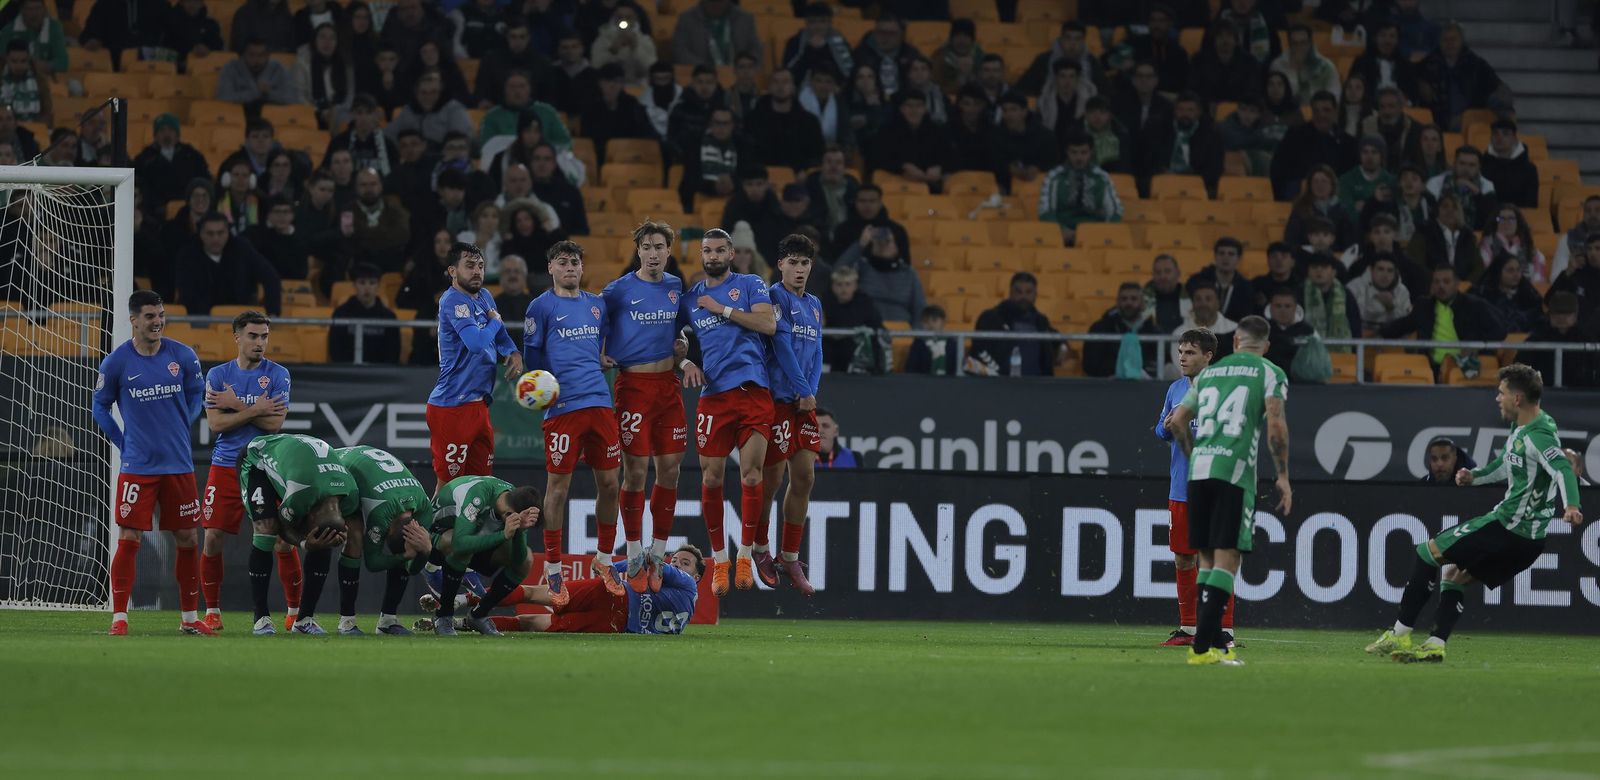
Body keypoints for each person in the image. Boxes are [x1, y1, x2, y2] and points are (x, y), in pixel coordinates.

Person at [1366, 364, 1582, 663]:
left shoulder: (1539, 435)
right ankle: (1434, 644)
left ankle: (1399, 634)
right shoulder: (1526, 427)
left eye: (1502, 392)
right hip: (1530, 542)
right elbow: (1505, 466)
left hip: (1507, 527)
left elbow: (1562, 470)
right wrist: (1474, 477)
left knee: (1428, 553)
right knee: (1454, 576)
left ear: (1517, 398)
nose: (1497, 398)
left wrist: (1571, 505)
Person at [1165, 315, 1293, 666]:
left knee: (1206, 559)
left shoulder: (1210, 374)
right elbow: (1276, 426)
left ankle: (1211, 645)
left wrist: (1194, 456)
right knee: (1227, 559)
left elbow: (1177, 421)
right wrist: (1282, 475)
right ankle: (1205, 647)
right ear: (1266, 346)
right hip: (1233, 473)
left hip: (1198, 473)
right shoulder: (1270, 372)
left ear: (1235, 342)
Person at [92, 291, 209, 636]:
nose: (157, 322)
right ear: (133, 320)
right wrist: (122, 442)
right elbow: (99, 407)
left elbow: (196, 395)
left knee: (187, 536)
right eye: (149, 316)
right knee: (129, 536)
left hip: (178, 465)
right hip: (138, 468)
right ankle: (119, 618)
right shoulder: (116, 362)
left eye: (160, 315)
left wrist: (183, 422)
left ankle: (189, 619)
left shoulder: (182, 355)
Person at [602, 221, 705, 592]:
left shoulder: (675, 287)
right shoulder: (617, 290)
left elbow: (677, 336)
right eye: (646, 247)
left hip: (668, 388)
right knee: (634, 473)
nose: (653, 253)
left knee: (670, 471)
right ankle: (633, 550)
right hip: (633, 388)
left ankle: (658, 554)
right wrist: (599, 353)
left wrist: (684, 357)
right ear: (638, 250)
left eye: (659, 246)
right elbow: (595, 324)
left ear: (668, 250)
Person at [522, 240, 624, 605]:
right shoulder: (541, 307)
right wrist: (542, 390)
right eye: (563, 262)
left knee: (610, 485)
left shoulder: (597, 305)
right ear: (551, 268)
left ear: (582, 267)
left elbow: (602, 343)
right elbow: (533, 360)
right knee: (558, 490)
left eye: (575, 262)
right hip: (563, 410)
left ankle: (604, 559)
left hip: (600, 403)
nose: (570, 267)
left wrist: (601, 357)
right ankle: (553, 569)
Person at [676, 228, 777, 595]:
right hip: (714, 396)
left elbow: (768, 324)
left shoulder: (750, 284)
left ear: (731, 254)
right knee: (711, 479)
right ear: (701, 255)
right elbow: (668, 339)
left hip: (753, 392)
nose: (713, 256)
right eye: (707, 251)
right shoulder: (690, 299)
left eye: (720, 250)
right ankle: (720, 560)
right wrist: (685, 361)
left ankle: (745, 556)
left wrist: (724, 310)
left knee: (751, 476)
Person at [197, 311, 293, 632]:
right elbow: (216, 424)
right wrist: (256, 409)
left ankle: (294, 613)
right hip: (226, 464)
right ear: (237, 337)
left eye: (264, 336)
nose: (260, 342)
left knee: (282, 541)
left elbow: (274, 424)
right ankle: (213, 611)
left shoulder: (278, 374)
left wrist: (236, 405)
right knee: (212, 537)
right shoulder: (218, 375)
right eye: (253, 336)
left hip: (266, 466)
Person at [1154, 327, 1237, 647]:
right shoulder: (1175, 389)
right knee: (1183, 558)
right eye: (1180, 352)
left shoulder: (1224, 389)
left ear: (1208, 356)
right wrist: (1166, 426)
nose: (1182, 358)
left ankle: (1224, 629)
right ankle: (1189, 627)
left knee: (1217, 558)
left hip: (1215, 484)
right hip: (1181, 486)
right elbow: (1161, 431)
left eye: (1189, 352)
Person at [752, 234, 825, 594]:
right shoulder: (774, 297)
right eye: (793, 262)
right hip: (779, 400)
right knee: (771, 481)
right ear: (780, 264)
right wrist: (801, 388)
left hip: (803, 402)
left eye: (805, 263)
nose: (799, 269)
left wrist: (811, 391)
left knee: (806, 477)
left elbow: (819, 349)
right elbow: (781, 345)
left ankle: (790, 556)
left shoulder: (814, 304)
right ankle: (760, 547)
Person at [422, 546, 701, 636]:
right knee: (532, 608)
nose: (676, 563)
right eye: (675, 559)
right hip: (616, 619)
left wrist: (610, 568)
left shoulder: (685, 583)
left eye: (685, 563)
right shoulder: (684, 617)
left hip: (614, 600)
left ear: (697, 577)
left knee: (531, 612)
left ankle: (458, 614)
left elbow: (648, 558)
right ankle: (460, 605)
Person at [235, 433, 357, 635]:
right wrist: (304, 543)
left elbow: (342, 526)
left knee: (324, 538)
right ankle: (261, 618)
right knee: (266, 529)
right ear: (311, 514)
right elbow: (282, 526)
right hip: (258, 459)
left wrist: (334, 538)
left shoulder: (351, 494)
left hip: (300, 463)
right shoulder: (301, 493)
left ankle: (304, 620)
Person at [426, 242, 524, 488]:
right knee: (448, 486)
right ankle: (433, 517)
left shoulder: (485, 296)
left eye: (480, 266)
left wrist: (512, 351)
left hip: (479, 405)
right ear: (452, 271)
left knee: (481, 483)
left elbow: (499, 335)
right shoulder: (452, 301)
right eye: (469, 266)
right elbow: (476, 343)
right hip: (452, 405)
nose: (477, 271)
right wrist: (495, 320)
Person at [424, 474, 543, 636]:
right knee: (456, 545)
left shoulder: (517, 502)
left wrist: (520, 531)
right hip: (435, 539)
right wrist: (503, 535)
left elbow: (518, 560)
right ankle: (443, 614)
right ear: (510, 513)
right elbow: (460, 544)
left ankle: (479, 615)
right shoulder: (478, 496)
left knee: (527, 560)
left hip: (476, 537)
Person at [1380, 264, 1506, 372]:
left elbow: (1499, 331)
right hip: (1431, 368)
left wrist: (1476, 346)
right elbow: (1401, 326)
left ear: (1457, 284)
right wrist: (1379, 332)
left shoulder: (1474, 305)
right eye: (1436, 282)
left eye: (1446, 282)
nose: (1441, 286)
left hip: (1462, 368)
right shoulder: (1423, 306)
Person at [176, 212, 283, 315]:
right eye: (210, 233)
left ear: (228, 232)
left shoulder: (242, 249)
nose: (216, 238)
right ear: (200, 233)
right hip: (201, 319)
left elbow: (271, 277)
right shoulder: (188, 254)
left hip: (241, 317)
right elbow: (187, 293)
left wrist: (272, 312)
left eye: (220, 233)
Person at [1416, 21, 1507, 132]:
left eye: (1453, 39)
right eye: (1445, 40)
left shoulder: (1476, 64)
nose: (1449, 43)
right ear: (1439, 43)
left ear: (1462, 41)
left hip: (1471, 119)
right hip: (1439, 121)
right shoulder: (1427, 65)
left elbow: (1495, 85)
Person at [1271, 91, 1357, 202]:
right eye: (1316, 111)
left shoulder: (1348, 143)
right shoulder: (1295, 137)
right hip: (1300, 198)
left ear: (1335, 112)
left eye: (1326, 110)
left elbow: (1351, 177)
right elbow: (1279, 170)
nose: (1321, 115)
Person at [1039, 134, 1122, 246]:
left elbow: (1115, 211)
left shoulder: (1101, 177)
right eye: (1074, 152)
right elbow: (1045, 211)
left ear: (1091, 152)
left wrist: (1103, 232)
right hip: (1061, 237)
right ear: (1067, 152)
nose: (1079, 158)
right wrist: (1061, 230)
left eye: (1084, 152)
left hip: (1095, 237)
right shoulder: (1054, 177)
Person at [835, 222, 925, 324]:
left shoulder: (909, 274)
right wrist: (860, 244)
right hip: (867, 327)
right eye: (878, 241)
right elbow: (837, 272)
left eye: (888, 241)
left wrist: (917, 333)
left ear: (897, 246)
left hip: (900, 328)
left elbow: (919, 309)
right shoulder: (862, 267)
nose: (882, 245)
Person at [1139, 91, 1224, 197]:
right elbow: (1147, 160)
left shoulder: (1211, 135)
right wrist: (1162, 173)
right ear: (1174, 111)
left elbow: (1214, 169)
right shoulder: (1157, 129)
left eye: (1190, 110)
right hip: (1162, 180)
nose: (1185, 114)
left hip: (1196, 184)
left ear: (1199, 112)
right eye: (1181, 109)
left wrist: (1189, 178)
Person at [1521, 293, 1600, 389]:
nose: (1561, 318)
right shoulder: (1536, 339)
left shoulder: (1586, 340)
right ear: (1550, 315)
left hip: (1580, 394)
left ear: (1575, 315)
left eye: (1567, 314)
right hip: (1543, 393)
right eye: (1557, 313)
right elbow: (1521, 370)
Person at [329, 262, 401, 363]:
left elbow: (393, 353)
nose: (367, 288)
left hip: (380, 371)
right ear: (354, 285)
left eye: (372, 283)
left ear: (378, 286)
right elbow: (336, 350)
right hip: (348, 370)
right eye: (362, 283)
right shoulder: (341, 313)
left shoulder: (389, 317)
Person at [1085, 282, 1160, 378]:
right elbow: (1090, 365)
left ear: (1142, 303)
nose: (1129, 303)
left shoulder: (1153, 330)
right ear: (1117, 302)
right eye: (1124, 299)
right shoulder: (1100, 328)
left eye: (1134, 299)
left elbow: (1157, 362)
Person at [134, 114, 211, 207]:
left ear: (177, 134)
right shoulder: (144, 158)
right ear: (155, 135)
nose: (166, 134)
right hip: (154, 209)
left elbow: (205, 179)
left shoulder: (191, 155)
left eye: (170, 130)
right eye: (162, 130)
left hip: (188, 207)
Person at [821, 264, 884, 373]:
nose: (843, 289)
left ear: (855, 286)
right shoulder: (824, 301)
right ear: (833, 287)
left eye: (848, 284)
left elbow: (876, 325)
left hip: (856, 345)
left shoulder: (865, 302)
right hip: (831, 345)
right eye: (839, 284)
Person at [1407, 192, 1480, 283]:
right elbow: (1415, 264)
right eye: (1445, 206)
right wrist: (1438, 281)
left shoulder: (1468, 236)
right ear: (1438, 210)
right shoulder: (1423, 232)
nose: (1450, 210)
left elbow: (1478, 267)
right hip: (1430, 285)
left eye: (1455, 207)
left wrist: (1466, 284)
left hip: (1463, 287)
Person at [1167, 282, 1236, 376]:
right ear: (1192, 304)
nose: (1203, 304)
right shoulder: (1179, 333)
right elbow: (1182, 367)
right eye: (1198, 299)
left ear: (1217, 303)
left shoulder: (1234, 329)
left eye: (1208, 299)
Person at [217, 38, 301, 115]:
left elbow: (292, 99)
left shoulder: (279, 69)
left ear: (268, 56)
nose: (256, 60)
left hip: (273, 117)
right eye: (251, 55)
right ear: (243, 55)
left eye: (261, 55)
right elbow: (223, 98)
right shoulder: (231, 68)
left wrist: (269, 93)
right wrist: (256, 92)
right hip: (238, 115)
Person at [1426, 145, 1497, 232]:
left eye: (1472, 165)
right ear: (1454, 164)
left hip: (1474, 235)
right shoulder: (1436, 182)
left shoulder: (1486, 185)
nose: (1466, 169)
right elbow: (1430, 213)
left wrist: (1476, 193)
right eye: (1462, 163)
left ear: (1479, 167)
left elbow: (1490, 218)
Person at [1187, 237, 1257, 324]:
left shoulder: (1246, 287)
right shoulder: (1196, 281)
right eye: (1221, 253)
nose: (1225, 258)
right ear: (1215, 256)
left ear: (1239, 259)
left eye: (1231, 254)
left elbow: (1245, 318)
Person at [673, 0, 762, 67]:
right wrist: (704, 68)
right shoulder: (687, 19)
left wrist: (745, 67)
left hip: (739, 74)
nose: (716, 5)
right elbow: (680, 52)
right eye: (712, 1)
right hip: (701, 76)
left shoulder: (745, 18)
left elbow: (755, 49)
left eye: (720, 1)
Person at [784, 3, 854, 85]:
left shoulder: (839, 42)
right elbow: (788, 71)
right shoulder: (795, 42)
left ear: (830, 23)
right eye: (813, 22)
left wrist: (826, 48)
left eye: (822, 21)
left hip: (835, 87)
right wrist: (809, 49)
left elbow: (849, 70)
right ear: (806, 23)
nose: (818, 26)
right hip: (801, 87)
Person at [1473, 255, 1545, 334]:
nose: (1516, 274)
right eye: (1510, 270)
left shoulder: (1528, 294)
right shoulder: (1485, 296)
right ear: (1498, 272)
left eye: (1518, 270)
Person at [1480, 204, 1548, 286]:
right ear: (1495, 223)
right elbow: (1486, 278)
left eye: (1511, 219)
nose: (1506, 223)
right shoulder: (1486, 247)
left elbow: (1538, 283)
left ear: (1518, 223)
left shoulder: (1533, 252)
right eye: (1502, 219)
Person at [1480, 119, 1538, 210]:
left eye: (1505, 134)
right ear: (1490, 137)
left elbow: (1530, 203)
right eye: (1495, 134)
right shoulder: (1482, 165)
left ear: (1514, 138)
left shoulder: (1529, 169)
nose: (1499, 138)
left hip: (1519, 216)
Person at [1346, 254, 1413, 331]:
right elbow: (1350, 318)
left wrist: (1391, 308)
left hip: (1390, 337)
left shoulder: (1402, 291)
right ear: (1371, 270)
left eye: (1390, 270)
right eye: (1380, 269)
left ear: (1395, 273)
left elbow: (1405, 325)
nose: (1385, 275)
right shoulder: (1354, 287)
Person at [1548, 233, 1600, 319]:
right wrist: (1568, 272)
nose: (1592, 253)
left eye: (1598, 249)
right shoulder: (1578, 273)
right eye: (1589, 249)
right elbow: (1549, 300)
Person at [1264, 286, 1315, 372]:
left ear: (1295, 308)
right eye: (1278, 306)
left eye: (1287, 306)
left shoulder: (1307, 331)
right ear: (1271, 308)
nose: (1283, 310)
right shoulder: (1262, 330)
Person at [1554, 197, 1600, 280]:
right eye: (1588, 211)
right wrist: (1570, 269)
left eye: (1598, 210)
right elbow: (1555, 277)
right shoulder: (1568, 239)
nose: (1592, 214)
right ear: (1583, 215)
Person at [905, 305, 956, 376]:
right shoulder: (918, 343)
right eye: (926, 321)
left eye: (934, 320)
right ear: (921, 323)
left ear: (943, 322)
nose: (930, 325)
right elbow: (911, 368)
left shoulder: (952, 343)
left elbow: (957, 369)